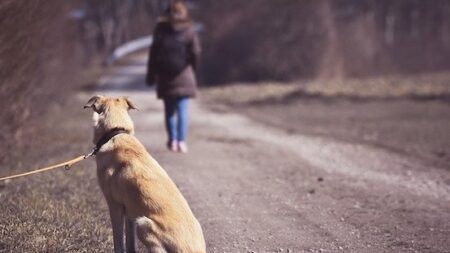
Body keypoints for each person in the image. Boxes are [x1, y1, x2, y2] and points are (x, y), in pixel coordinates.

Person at [146, 0, 201, 153]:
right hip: (184, 74)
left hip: (165, 77)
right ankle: (182, 141)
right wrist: (193, 69)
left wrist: (151, 75)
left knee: (169, 111)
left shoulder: (160, 29)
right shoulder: (189, 29)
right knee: (183, 110)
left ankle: (173, 141)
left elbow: (153, 54)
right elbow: (196, 52)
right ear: (184, 12)